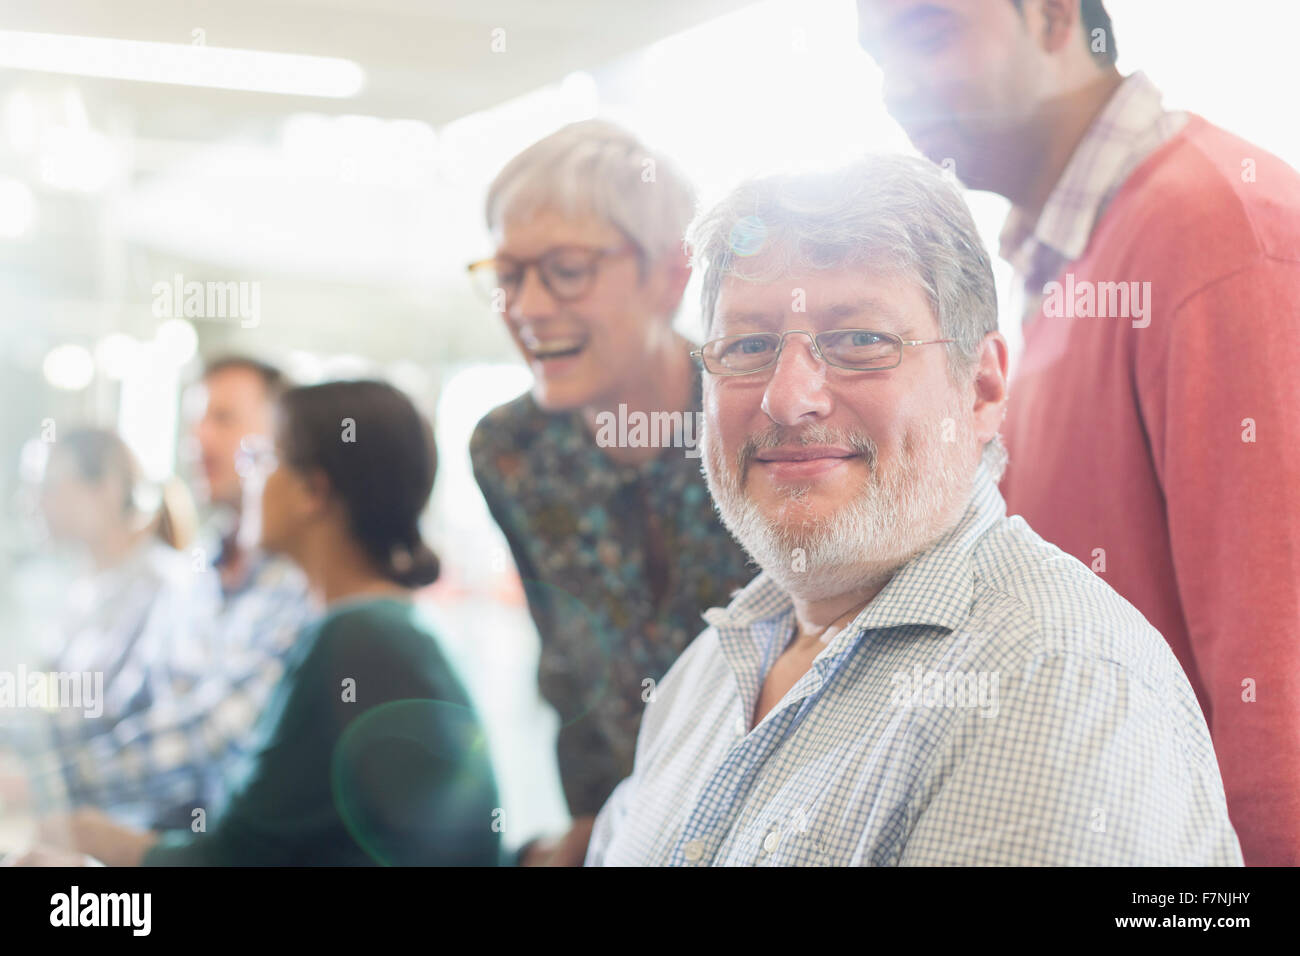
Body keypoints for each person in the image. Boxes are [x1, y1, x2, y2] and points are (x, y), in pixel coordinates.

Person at [586, 154, 1242, 866]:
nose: (788, 397)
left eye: (861, 340)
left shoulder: (1050, 684)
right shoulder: (709, 670)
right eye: (748, 346)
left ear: (983, 388)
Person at [855, 0, 1300, 865]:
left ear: (1057, 15)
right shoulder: (1072, 252)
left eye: (927, 32)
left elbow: (1280, 684)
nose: (894, 88)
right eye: (877, 58)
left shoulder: (1217, 231)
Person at [18, 380, 501, 866]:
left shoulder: (357, 636)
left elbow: (236, 857)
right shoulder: (370, 628)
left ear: (313, 491)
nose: (248, 479)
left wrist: (92, 844)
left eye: (262, 461)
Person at [468, 119, 752, 864]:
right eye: (508, 275)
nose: (527, 307)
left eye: (565, 269)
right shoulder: (511, 451)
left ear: (670, 275)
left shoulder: (760, 422)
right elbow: (569, 668)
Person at [7, 429, 216, 829]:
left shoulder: (166, 588)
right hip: (75, 817)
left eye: (49, 487)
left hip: (134, 830)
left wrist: (33, 783)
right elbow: (55, 708)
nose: (33, 503)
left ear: (106, 489)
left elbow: (150, 734)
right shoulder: (81, 590)